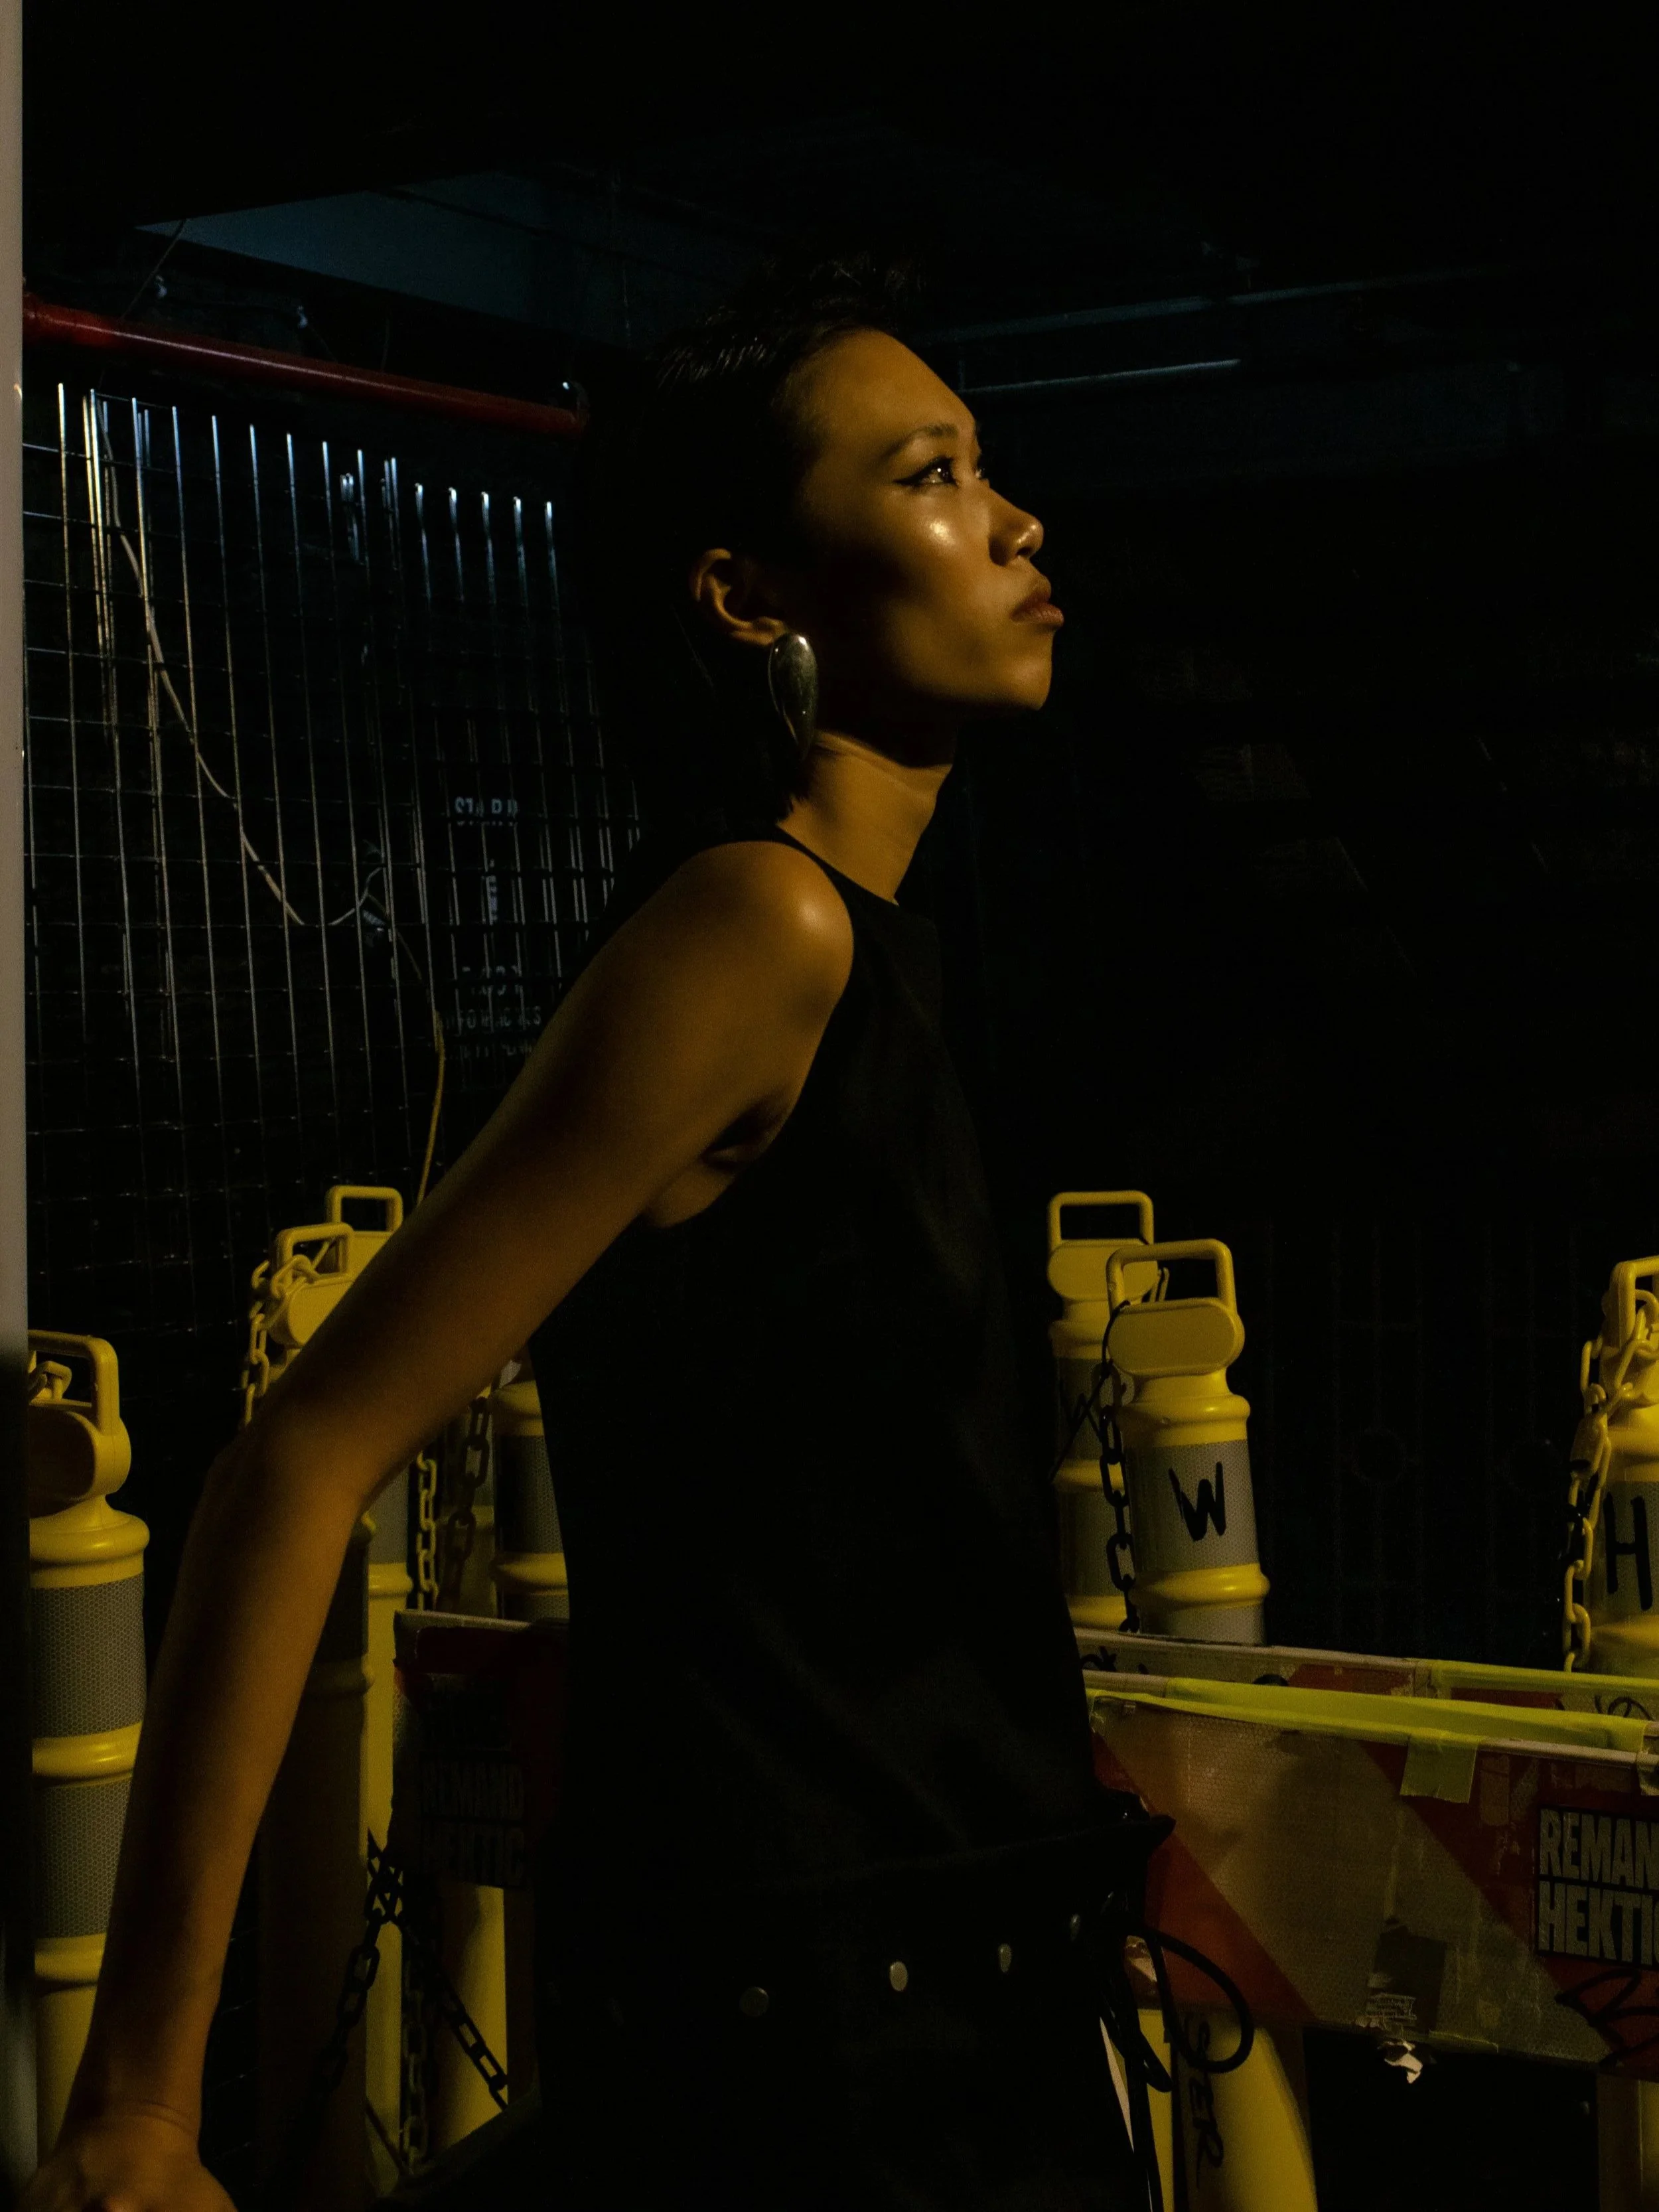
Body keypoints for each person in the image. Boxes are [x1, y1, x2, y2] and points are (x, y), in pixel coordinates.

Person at [24, 254, 1147, 2212]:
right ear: (747, 597)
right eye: (928, 472)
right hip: (826, 2067)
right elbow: (302, 1452)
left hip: (966, 2008)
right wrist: (138, 2100)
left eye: (984, 466)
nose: (1012, 515)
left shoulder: (883, 957)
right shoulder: (755, 930)